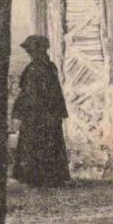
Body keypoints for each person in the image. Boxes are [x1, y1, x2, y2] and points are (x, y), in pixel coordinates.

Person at [12, 34, 70, 187]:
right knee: (46, 143)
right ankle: (46, 178)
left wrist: (19, 112)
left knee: (39, 143)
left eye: (31, 51)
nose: (30, 54)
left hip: (37, 115)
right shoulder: (49, 67)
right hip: (45, 114)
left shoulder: (35, 69)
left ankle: (38, 179)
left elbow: (28, 94)